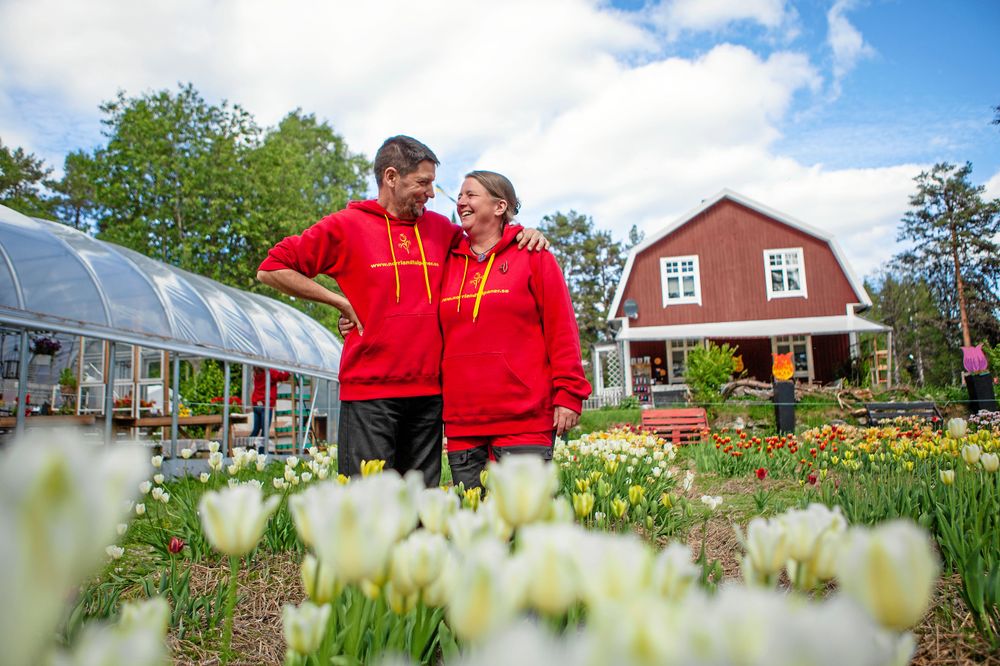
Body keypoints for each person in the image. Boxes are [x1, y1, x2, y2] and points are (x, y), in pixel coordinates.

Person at [257, 136, 547, 486]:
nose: (431, 194)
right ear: (391, 177)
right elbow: (272, 268)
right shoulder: (345, 227)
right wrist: (339, 301)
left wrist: (522, 232)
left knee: (421, 505)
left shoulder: (442, 231)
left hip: (428, 396)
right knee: (368, 504)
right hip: (369, 393)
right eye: (422, 183)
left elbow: (487, 237)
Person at [440, 171, 591, 490]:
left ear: (499, 206)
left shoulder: (534, 256)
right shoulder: (448, 260)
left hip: (524, 419)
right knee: (475, 527)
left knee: (525, 527)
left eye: (471, 194)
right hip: (464, 421)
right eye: (460, 196)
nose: (461, 201)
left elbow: (561, 327)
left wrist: (569, 392)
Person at [250, 367, 291, 450]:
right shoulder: (270, 372)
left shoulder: (256, 373)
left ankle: (248, 450)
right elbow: (283, 377)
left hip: (256, 404)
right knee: (264, 432)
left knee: (256, 429)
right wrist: (289, 370)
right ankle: (261, 454)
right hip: (266, 405)